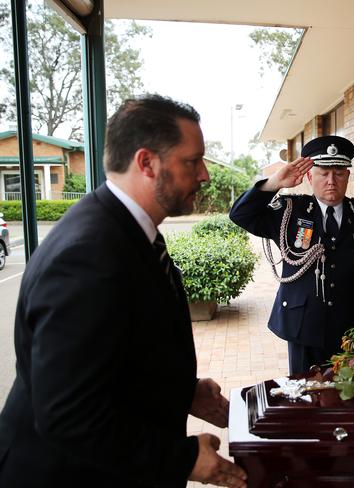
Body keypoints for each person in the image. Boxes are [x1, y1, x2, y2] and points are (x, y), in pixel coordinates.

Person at [0, 95, 247, 488]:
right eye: (191, 161)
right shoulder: (87, 256)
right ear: (146, 162)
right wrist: (181, 459)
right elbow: (68, 414)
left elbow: (121, 350)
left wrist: (183, 392)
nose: (205, 175)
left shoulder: (130, 231)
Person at [230, 135, 354, 374]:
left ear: (347, 175)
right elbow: (240, 215)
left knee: (350, 398)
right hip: (303, 327)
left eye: (338, 173)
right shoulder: (289, 212)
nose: (331, 181)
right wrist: (274, 183)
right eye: (323, 173)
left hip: (353, 328)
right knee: (305, 396)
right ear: (309, 176)